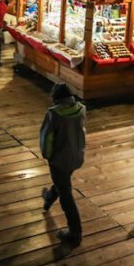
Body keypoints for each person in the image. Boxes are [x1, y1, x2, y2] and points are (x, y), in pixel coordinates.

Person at [40, 82, 86, 247]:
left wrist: (47, 155)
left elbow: (47, 138)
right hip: (76, 156)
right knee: (63, 182)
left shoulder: (54, 114)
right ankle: (49, 196)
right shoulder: (81, 109)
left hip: (59, 158)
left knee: (66, 194)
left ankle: (75, 233)